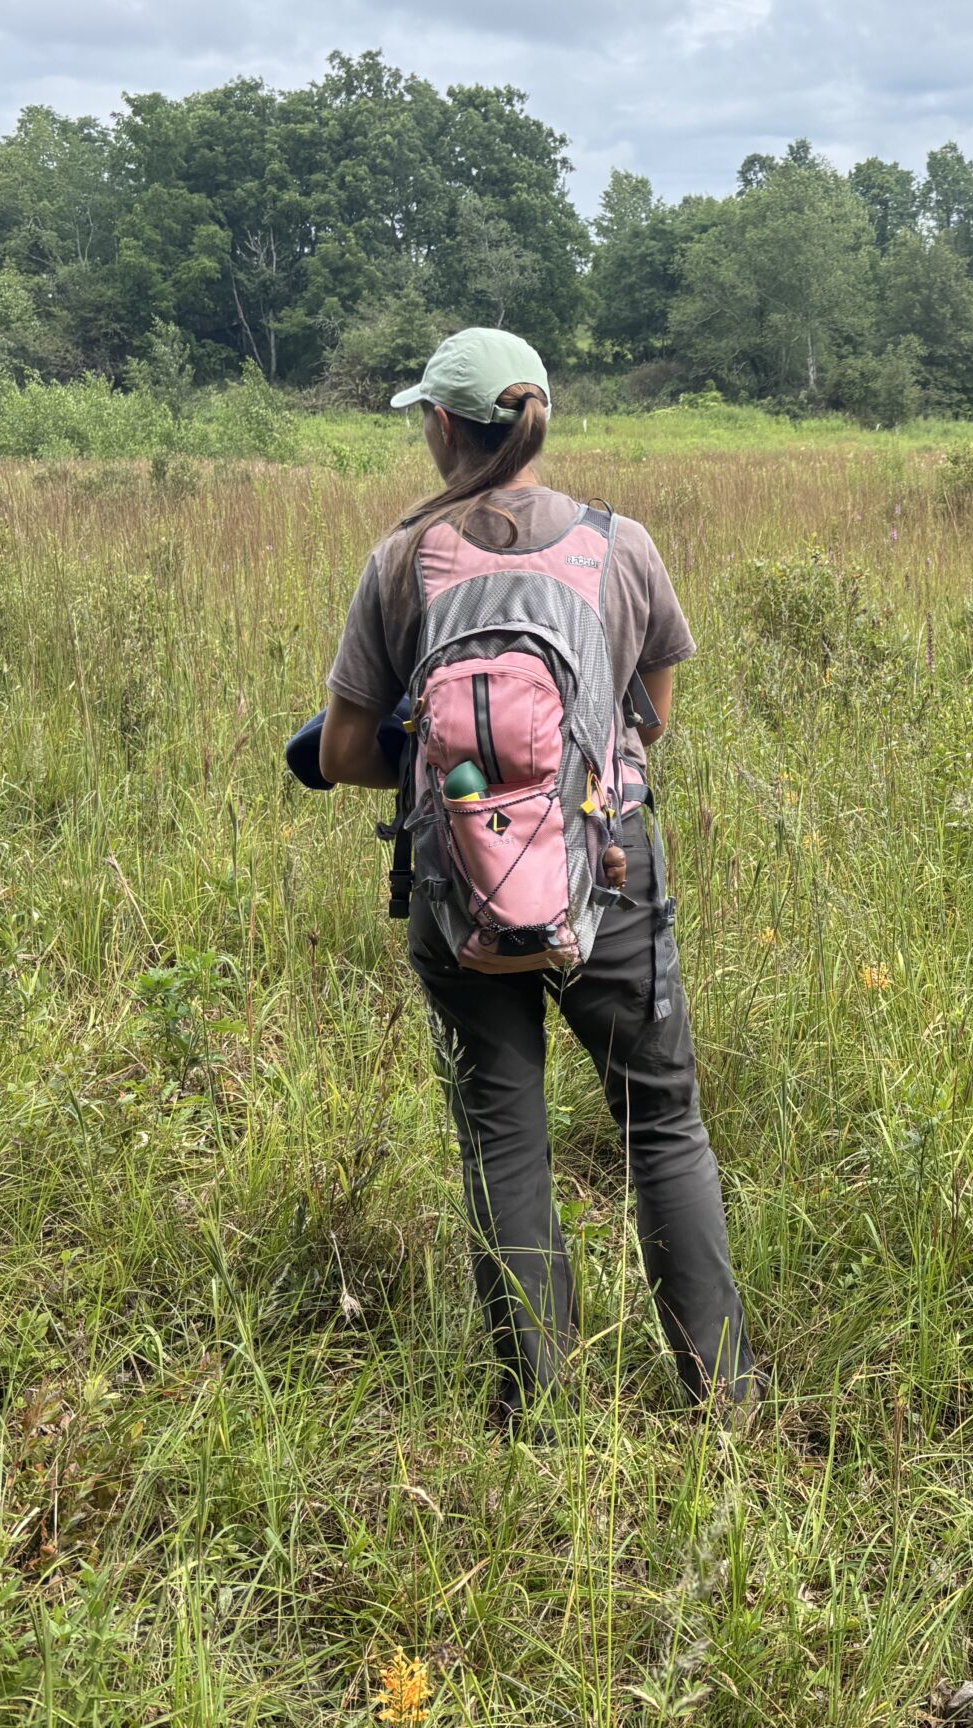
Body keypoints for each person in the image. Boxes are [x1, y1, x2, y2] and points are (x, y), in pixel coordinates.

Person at [315, 326, 754, 1422]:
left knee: (503, 1137)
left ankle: (538, 1412)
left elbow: (344, 754)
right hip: (609, 868)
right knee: (662, 1127)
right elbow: (648, 722)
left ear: (444, 425)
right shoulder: (621, 546)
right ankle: (723, 1402)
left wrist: (451, 768)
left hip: (457, 885)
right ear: (537, 417)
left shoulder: (401, 559)